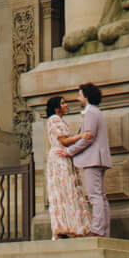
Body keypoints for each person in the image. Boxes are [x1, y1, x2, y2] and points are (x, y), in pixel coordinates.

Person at [57, 82, 112, 237]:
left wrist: (69, 151)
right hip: (97, 158)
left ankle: (98, 230)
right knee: (100, 196)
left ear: (86, 96)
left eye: (80, 95)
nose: (77, 98)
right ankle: (103, 231)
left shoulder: (91, 113)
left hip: (93, 159)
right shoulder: (95, 112)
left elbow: (88, 138)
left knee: (95, 196)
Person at [42, 93, 93, 238]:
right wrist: (81, 136)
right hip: (59, 158)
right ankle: (65, 227)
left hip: (64, 157)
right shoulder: (54, 120)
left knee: (68, 191)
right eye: (63, 103)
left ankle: (70, 226)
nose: (66, 106)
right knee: (65, 191)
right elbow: (64, 140)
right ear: (57, 107)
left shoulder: (60, 120)